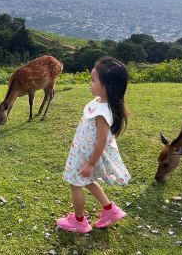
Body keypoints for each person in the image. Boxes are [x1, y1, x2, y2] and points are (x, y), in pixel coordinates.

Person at [56, 56, 131, 233]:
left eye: (93, 80)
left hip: (86, 156)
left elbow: (102, 140)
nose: (90, 83)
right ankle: (109, 210)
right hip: (81, 152)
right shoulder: (99, 103)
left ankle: (79, 221)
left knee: (76, 184)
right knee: (87, 181)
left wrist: (90, 163)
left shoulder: (103, 112)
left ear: (106, 87)